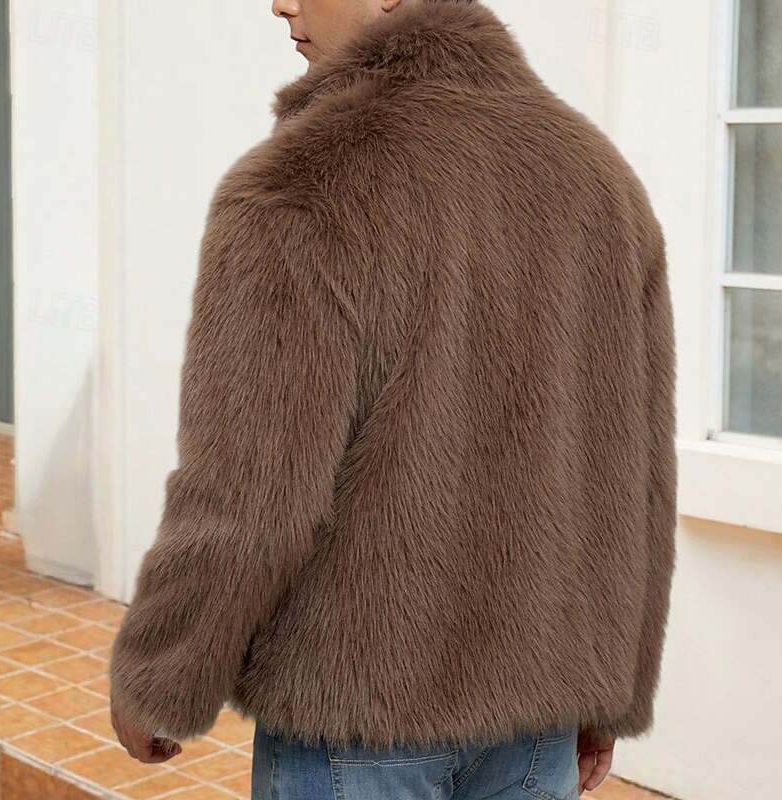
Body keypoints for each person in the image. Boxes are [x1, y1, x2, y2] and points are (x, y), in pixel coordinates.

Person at [108, 0, 678, 798]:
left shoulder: (303, 184)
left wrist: (162, 676)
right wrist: (613, 690)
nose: (280, 3)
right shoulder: (599, 180)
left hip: (355, 721)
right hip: (534, 722)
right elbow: (636, 476)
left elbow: (250, 491)